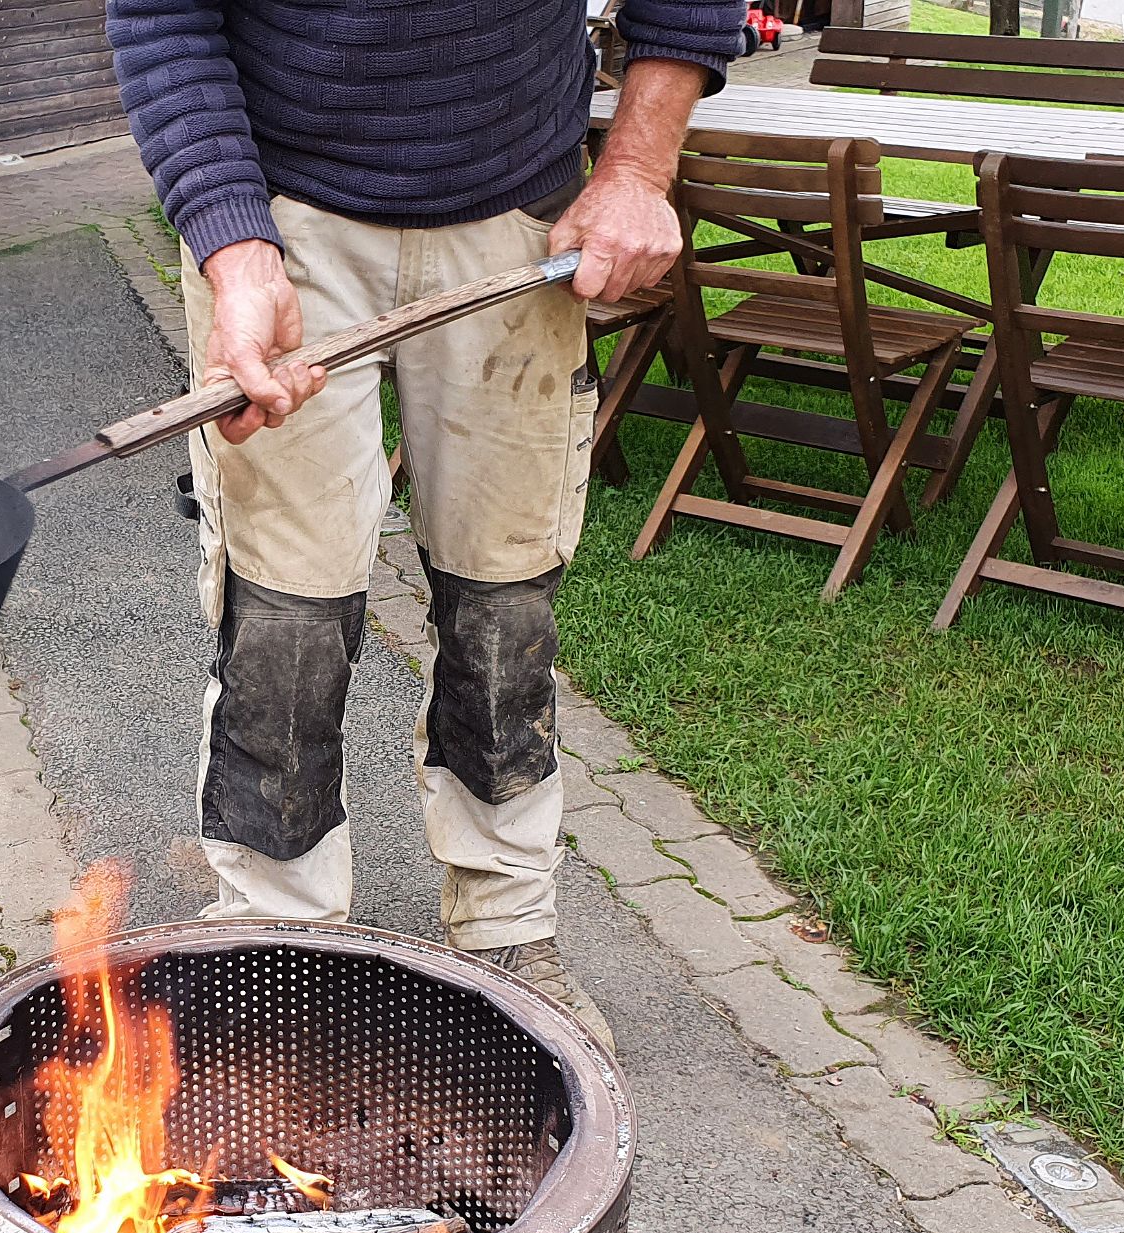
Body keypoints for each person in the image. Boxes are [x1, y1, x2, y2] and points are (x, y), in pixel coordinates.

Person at [106, 0, 745, 1022]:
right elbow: (163, 16)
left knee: (506, 606)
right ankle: (277, 940)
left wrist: (635, 169)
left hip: (518, 219)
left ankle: (507, 929)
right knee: (284, 617)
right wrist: (235, 247)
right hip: (285, 224)